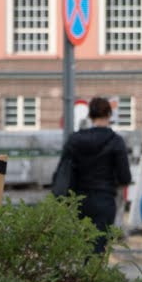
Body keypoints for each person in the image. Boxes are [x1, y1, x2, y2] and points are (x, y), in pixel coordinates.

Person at [53, 96, 133, 254]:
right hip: (104, 199)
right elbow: (125, 177)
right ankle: (93, 277)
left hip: (78, 200)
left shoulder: (75, 139)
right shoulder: (116, 141)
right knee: (98, 246)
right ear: (109, 115)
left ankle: (81, 276)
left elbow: (62, 170)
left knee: (80, 245)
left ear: (89, 115)